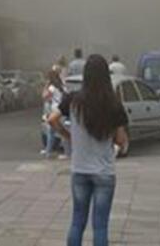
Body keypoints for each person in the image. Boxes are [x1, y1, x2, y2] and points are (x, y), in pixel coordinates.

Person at [48, 55, 128, 246]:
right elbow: (121, 140)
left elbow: (52, 119)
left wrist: (69, 136)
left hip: (80, 170)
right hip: (104, 172)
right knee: (100, 226)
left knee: (77, 222)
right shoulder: (113, 104)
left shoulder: (73, 100)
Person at [41, 68, 66, 159]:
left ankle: (49, 152)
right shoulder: (61, 86)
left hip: (55, 111)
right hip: (61, 110)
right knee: (61, 131)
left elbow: (44, 96)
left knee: (51, 132)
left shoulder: (52, 87)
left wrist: (46, 86)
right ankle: (63, 151)